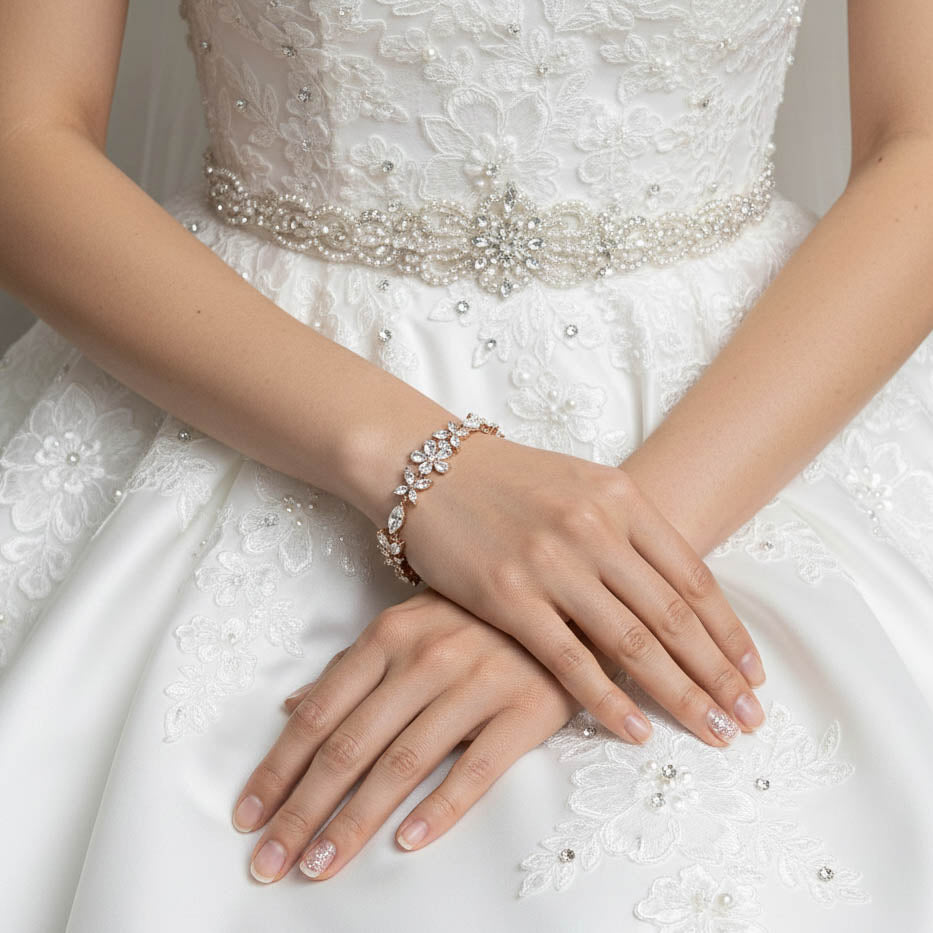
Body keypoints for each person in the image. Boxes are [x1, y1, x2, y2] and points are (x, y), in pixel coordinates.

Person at [1, 0, 932, 930]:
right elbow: (22, 134)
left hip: (756, 405)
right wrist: (428, 470)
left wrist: (602, 577)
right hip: (246, 372)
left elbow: (918, 143)